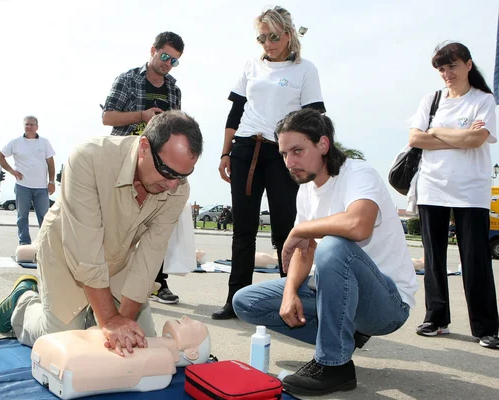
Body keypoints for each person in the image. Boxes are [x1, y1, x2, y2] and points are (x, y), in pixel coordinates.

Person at [233, 109, 418, 396]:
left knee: (333, 245)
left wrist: (301, 229)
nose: (289, 162)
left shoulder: (358, 173)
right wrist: (290, 291)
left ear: (322, 145)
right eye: (284, 154)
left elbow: (358, 226)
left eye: (297, 150)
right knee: (245, 302)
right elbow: (303, 252)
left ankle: (334, 365)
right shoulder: (306, 189)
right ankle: (342, 336)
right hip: (339, 291)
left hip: (387, 304)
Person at [0, 111, 203, 357]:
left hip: (117, 258)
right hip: (66, 251)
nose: (172, 185)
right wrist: (110, 321)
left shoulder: (177, 188)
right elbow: (85, 250)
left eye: (183, 175)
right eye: (167, 172)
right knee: (62, 342)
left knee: (140, 341)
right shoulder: (89, 158)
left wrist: (122, 324)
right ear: (144, 147)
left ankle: (92, 316)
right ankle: (24, 303)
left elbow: (150, 254)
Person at [213, 6, 326, 320]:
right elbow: (235, 114)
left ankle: (286, 299)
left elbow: (315, 116)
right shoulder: (251, 65)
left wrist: (310, 158)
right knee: (243, 230)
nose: (267, 43)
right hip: (246, 149)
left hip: (283, 154)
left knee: (285, 230)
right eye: (261, 37)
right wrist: (225, 153)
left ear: (288, 35)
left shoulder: (305, 69)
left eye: (273, 36)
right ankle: (235, 299)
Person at [408, 42, 498, 348]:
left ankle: (486, 327)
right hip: (432, 187)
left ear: (468, 65)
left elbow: (476, 139)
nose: (447, 73)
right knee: (434, 257)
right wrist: (455, 137)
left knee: (475, 259)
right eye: (441, 68)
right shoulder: (431, 100)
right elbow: (415, 137)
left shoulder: (483, 100)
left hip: (470, 190)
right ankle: (436, 317)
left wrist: (436, 132)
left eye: (453, 66)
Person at [102, 31, 184, 305]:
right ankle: (105, 278)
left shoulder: (174, 89)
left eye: (174, 61)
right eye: (164, 56)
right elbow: (107, 117)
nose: (167, 64)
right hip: (124, 163)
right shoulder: (127, 79)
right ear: (152, 50)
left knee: (157, 226)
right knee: (114, 223)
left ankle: (158, 283)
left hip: (157, 168)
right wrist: (142, 116)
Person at [0, 116, 56, 245]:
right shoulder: (15, 142)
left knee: (44, 217)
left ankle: (44, 243)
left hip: (41, 187)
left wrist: (51, 182)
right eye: (27, 124)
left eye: (32, 125)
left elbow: (50, 163)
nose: (29, 127)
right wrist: (11, 171)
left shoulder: (44, 142)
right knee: (22, 216)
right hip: (22, 186)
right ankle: (24, 242)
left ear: (37, 127)